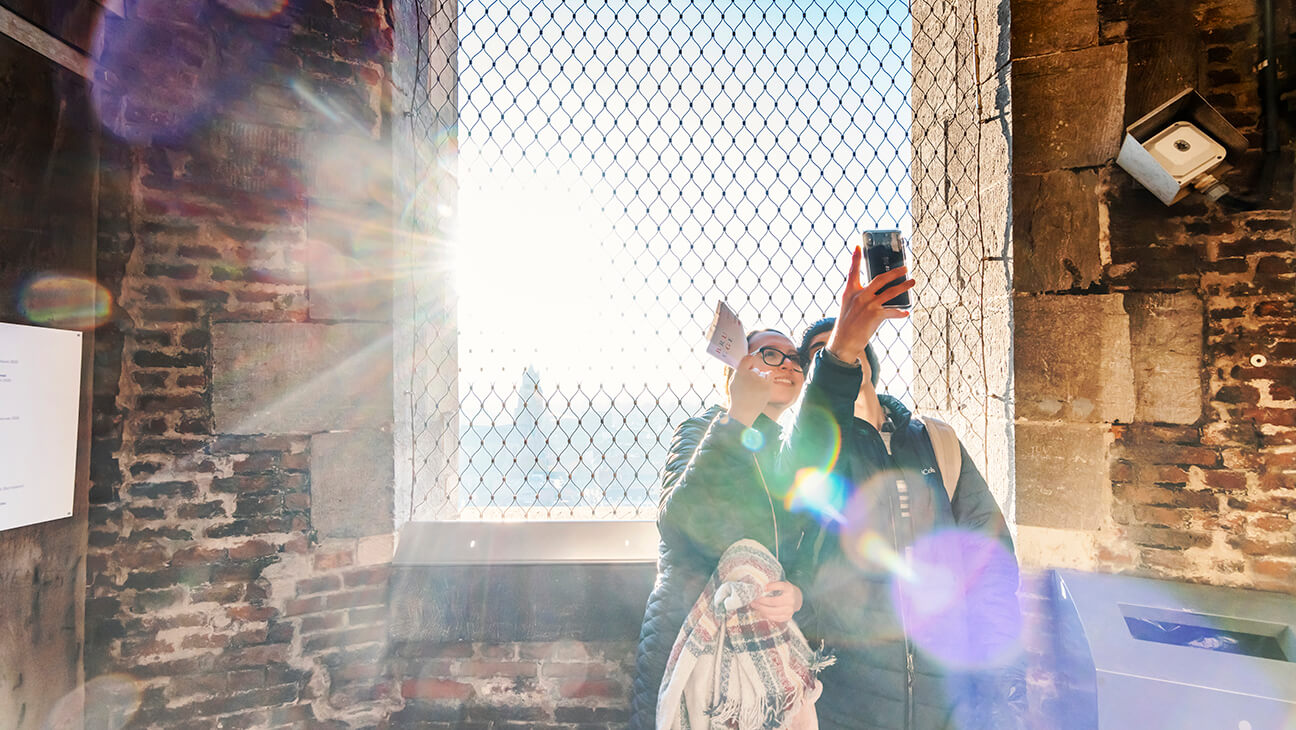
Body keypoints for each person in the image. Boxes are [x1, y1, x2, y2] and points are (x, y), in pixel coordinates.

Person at [789, 248, 1026, 730]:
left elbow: (991, 560)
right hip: (846, 702)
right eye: (818, 358)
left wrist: (1000, 676)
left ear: (871, 361)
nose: (838, 351)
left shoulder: (936, 440)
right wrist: (837, 354)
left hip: (949, 698)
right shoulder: (811, 457)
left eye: (850, 344)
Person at [630, 329, 814, 730]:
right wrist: (737, 420)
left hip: (763, 654)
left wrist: (798, 593)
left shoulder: (786, 456)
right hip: (685, 633)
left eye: (795, 359)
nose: (787, 364)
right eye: (770, 354)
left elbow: (803, 547)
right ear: (736, 371)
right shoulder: (700, 431)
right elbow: (677, 521)